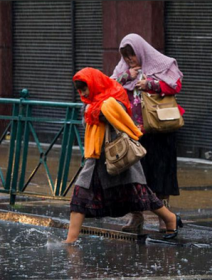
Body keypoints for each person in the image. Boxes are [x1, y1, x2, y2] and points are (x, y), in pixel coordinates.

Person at [63, 67, 182, 244]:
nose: (82, 93)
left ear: (95, 84)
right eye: (79, 90)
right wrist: (90, 108)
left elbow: (118, 118)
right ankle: (70, 241)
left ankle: (170, 219)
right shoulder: (92, 103)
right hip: (96, 160)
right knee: (80, 196)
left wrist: (95, 110)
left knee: (141, 194)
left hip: (118, 156)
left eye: (84, 89)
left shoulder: (112, 100)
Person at [111, 33, 185, 233]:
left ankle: (164, 217)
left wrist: (149, 84)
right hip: (135, 132)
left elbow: (175, 85)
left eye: (132, 55)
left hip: (161, 130)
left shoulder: (161, 64)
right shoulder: (123, 70)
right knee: (134, 176)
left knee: (161, 174)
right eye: (125, 56)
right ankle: (136, 217)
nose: (129, 60)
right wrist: (128, 76)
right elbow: (109, 87)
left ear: (141, 50)